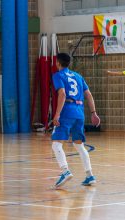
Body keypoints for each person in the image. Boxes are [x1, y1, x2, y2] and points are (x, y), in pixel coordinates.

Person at [51, 53, 100, 188]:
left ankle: (65, 171)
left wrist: (57, 114)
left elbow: (62, 94)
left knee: (56, 144)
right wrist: (93, 113)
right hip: (79, 112)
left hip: (67, 111)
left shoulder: (58, 75)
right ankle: (90, 175)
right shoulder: (78, 76)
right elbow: (88, 95)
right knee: (79, 145)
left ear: (58, 63)